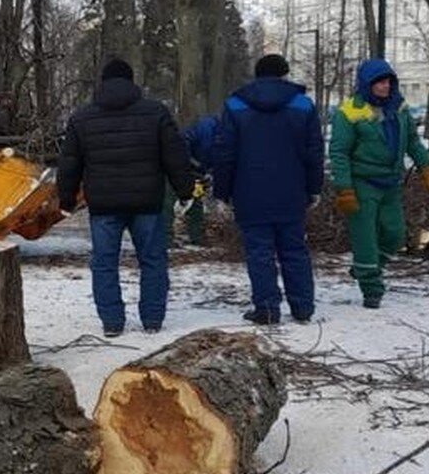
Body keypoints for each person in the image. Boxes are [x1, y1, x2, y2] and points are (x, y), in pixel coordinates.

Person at [57, 57, 196, 337]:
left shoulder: (82, 117)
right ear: (132, 82)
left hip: (103, 205)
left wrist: (66, 199)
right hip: (147, 201)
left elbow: (69, 162)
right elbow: (175, 156)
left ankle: (112, 321)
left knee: (104, 263)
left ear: (103, 83)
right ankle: (153, 318)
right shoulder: (156, 112)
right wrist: (185, 191)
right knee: (153, 260)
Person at [213, 53, 324, 325]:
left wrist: (222, 192)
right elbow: (314, 152)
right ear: (285, 74)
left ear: (257, 75)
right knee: (294, 249)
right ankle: (303, 307)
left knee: (259, 252)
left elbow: (224, 152)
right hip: (292, 189)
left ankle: (267, 307)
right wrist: (314, 188)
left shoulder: (236, 105)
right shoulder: (303, 105)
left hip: (249, 190)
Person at [328, 58, 429, 308]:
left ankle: (365, 268)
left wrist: (426, 166)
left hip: (390, 183)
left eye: (388, 81)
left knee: (395, 234)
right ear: (367, 84)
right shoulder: (349, 112)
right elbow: (339, 152)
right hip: (361, 183)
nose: (385, 86)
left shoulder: (398, 108)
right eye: (379, 82)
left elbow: (412, 141)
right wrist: (344, 188)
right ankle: (372, 289)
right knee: (365, 239)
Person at [164, 114, 218, 246]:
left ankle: (197, 235)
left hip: (199, 172)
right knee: (168, 200)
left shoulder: (230, 134)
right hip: (178, 168)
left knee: (196, 202)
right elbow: (182, 143)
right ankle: (165, 238)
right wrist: (192, 163)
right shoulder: (206, 127)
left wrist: (209, 172)